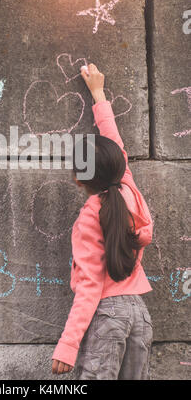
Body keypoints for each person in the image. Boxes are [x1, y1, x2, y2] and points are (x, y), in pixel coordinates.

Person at [51, 63, 154, 380]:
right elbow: (114, 141)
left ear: (78, 179)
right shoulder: (129, 191)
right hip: (139, 314)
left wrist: (67, 346)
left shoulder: (90, 215)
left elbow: (90, 285)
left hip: (108, 314)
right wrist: (98, 92)